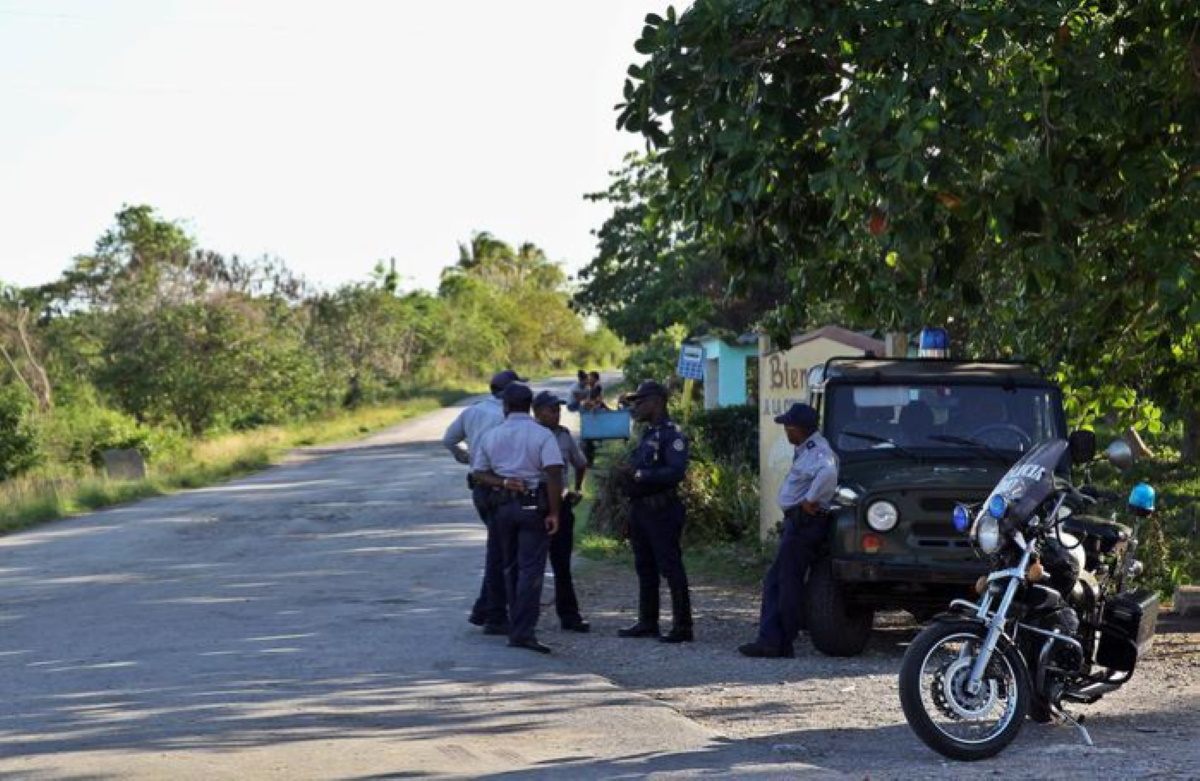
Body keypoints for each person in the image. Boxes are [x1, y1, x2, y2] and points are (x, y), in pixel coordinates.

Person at [739, 402, 839, 658]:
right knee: (781, 581)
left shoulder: (818, 451)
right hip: (799, 522)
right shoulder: (807, 449)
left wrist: (810, 500)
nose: (786, 431)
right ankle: (777, 639)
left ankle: (776, 641)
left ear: (799, 428)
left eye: (788, 426)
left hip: (804, 524)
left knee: (784, 582)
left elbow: (828, 472)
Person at [471, 383, 565, 654]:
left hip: (502, 508)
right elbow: (554, 473)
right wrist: (554, 512)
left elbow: (479, 472)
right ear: (530, 406)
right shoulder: (542, 435)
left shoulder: (491, 435)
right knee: (531, 570)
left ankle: (513, 622)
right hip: (532, 506)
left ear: (505, 406)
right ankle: (523, 630)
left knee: (509, 567)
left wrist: (502, 481)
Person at [442, 368, 526, 634]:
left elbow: (449, 439)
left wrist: (467, 458)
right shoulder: (509, 416)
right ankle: (494, 614)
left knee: (499, 548)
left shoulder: (473, 411)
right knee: (501, 553)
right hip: (502, 486)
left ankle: (486, 608)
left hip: (480, 486)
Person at [615, 380, 694, 643]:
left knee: (670, 567)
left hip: (663, 510)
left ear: (656, 402)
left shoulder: (673, 435)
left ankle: (682, 627)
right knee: (644, 567)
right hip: (641, 510)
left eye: (640, 401)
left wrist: (640, 474)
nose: (635, 407)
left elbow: (675, 471)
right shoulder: (649, 434)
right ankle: (648, 622)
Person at [532, 390, 590, 632]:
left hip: (561, 500)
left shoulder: (564, 435)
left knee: (562, 564)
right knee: (531, 564)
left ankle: (569, 616)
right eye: (551, 410)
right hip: (535, 501)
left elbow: (581, 463)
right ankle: (525, 617)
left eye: (558, 410)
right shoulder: (530, 434)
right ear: (538, 412)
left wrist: (577, 489)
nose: (556, 414)